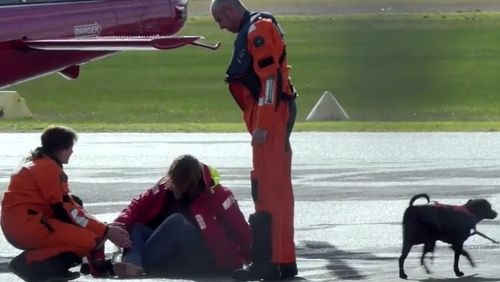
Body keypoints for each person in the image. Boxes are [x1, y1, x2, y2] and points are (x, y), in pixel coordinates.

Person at [210, 0, 298, 280]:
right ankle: (284, 260)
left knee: (267, 191)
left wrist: (262, 125)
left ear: (231, 11)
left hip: (270, 120)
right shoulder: (255, 28)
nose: (221, 26)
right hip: (274, 116)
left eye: (219, 19)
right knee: (278, 191)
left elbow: (270, 80)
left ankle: (268, 263)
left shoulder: (256, 30)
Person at [0, 125, 132, 282]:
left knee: (82, 215)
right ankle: (31, 263)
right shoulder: (48, 168)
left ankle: (86, 266)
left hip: (24, 224)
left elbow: (69, 205)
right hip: (28, 226)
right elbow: (66, 210)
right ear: (61, 149)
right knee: (88, 240)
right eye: (70, 147)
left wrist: (101, 228)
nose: (72, 152)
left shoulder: (39, 163)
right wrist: (105, 230)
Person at [111, 154, 252, 278]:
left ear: (193, 182)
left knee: (176, 221)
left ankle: (137, 264)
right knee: (134, 227)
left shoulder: (219, 196)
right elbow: (137, 206)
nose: (177, 188)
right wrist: (117, 226)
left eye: (182, 184)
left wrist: (255, 261)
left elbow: (240, 229)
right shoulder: (164, 187)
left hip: (207, 259)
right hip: (172, 254)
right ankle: (132, 264)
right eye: (175, 183)